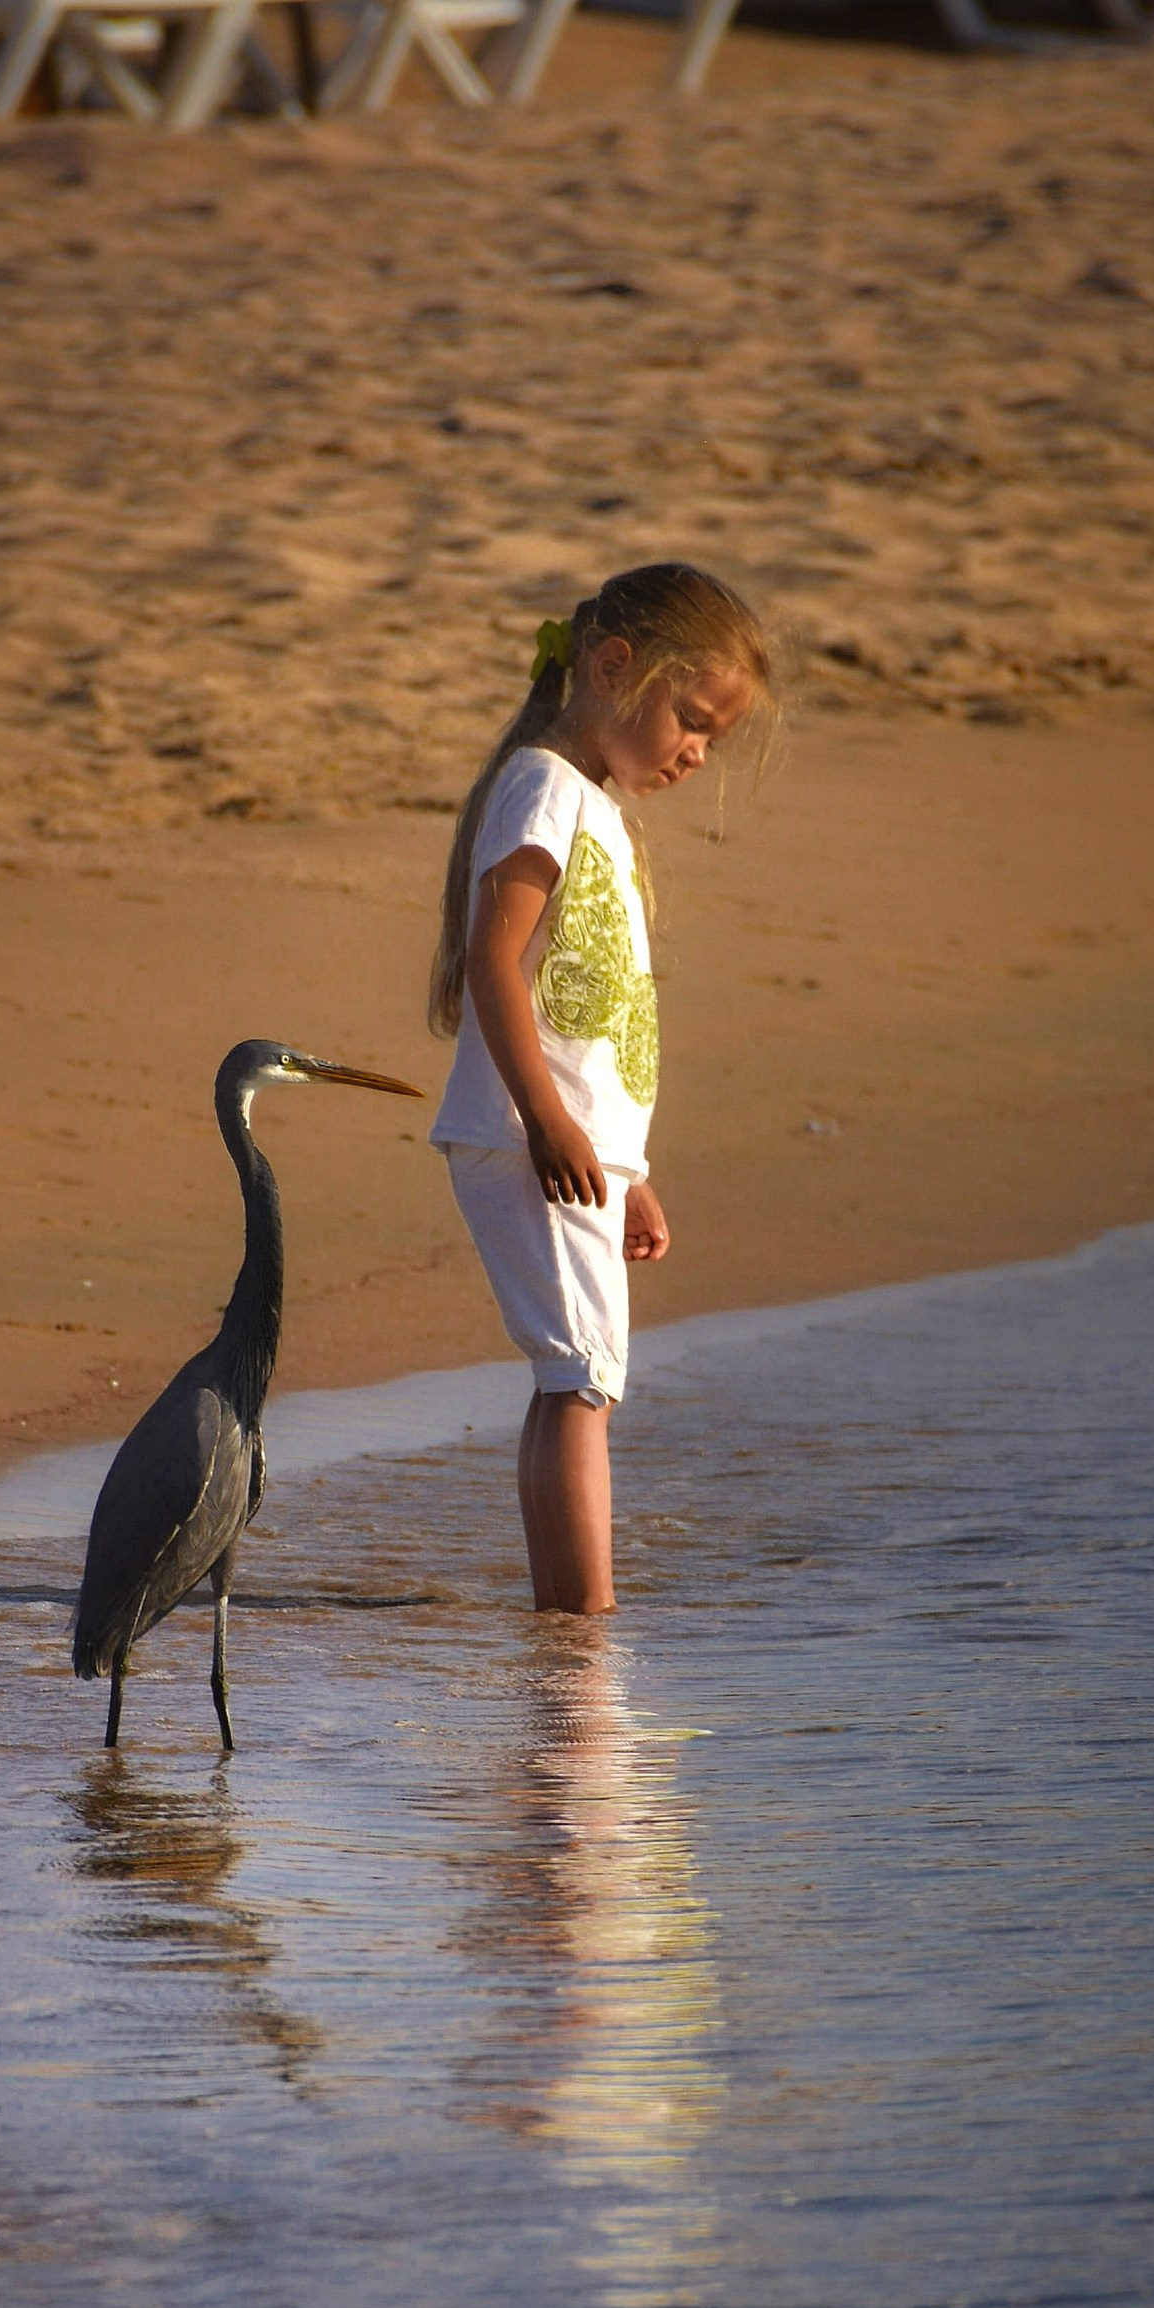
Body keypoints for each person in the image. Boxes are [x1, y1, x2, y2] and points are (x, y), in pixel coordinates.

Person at [427, 560, 773, 1617]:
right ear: (615, 666)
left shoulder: (589, 801)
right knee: (583, 1383)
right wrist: (548, 1122)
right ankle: (584, 1632)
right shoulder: (543, 785)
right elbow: (495, 960)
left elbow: (599, 1029)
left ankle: (563, 1619)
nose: (696, 751)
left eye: (713, 734)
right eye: (690, 719)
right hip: (533, 1133)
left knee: (571, 1379)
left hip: (569, 1143)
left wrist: (631, 1171)